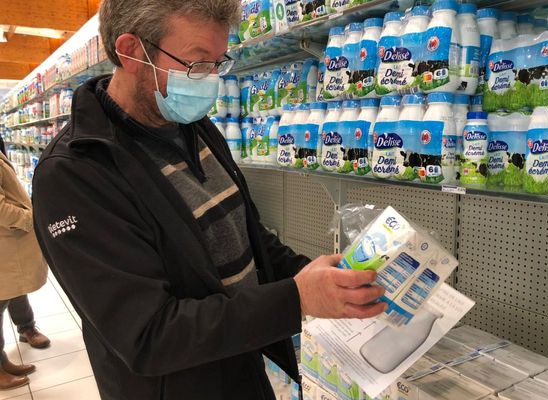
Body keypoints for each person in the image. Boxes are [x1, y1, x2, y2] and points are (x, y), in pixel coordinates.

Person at [32, 1, 387, 399]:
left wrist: (322, 279)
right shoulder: (75, 173)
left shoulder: (192, 125)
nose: (210, 81)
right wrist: (296, 298)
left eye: (219, 63)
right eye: (198, 63)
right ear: (132, 52)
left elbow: (246, 235)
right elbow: (148, 335)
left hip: (243, 362)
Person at [0, 145, 49, 390]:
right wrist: (29, 218)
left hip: (7, 242)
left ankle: (2, 361)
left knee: (8, 295)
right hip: (5, 237)